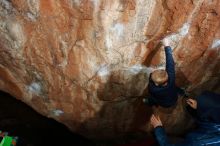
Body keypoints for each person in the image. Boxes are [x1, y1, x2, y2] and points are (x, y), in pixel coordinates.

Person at [150, 91, 220, 146]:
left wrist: (158, 128)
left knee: (172, 140)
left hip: (192, 141)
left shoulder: (199, 142)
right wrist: (199, 106)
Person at [143, 38, 185, 107]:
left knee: (153, 98)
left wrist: (151, 75)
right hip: (174, 98)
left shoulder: (153, 89)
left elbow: (151, 86)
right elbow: (170, 63)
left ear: (156, 84)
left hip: (164, 103)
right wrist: (167, 46)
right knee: (174, 87)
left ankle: (149, 102)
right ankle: (182, 92)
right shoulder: (171, 78)